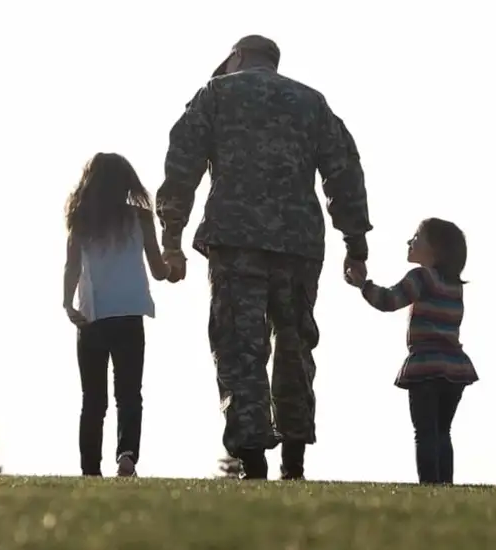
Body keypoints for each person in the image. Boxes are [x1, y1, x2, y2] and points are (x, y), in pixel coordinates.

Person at [155, 35, 373, 480]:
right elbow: (344, 171)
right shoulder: (312, 103)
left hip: (236, 242)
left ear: (236, 57)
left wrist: (172, 239)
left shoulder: (216, 94)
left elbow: (181, 167)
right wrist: (355, 244)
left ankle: (253, 459)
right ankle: (294, 460)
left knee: (240, 349)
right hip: (298, 246)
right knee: (294, 348)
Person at [346, 217, 478, 485]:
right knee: (442, 431)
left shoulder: (422, 277)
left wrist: (364, 286)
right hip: (455, 367)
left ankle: (429, 485)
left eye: (417, 238)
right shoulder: (454, 287)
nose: (410, 242)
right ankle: (445, 485)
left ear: (435, 250)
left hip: (426, 367)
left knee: (425, 431)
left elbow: (389, 300)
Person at [63, 152, 171, 477]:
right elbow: (158, 269)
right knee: (128, 393)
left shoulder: (80, 218)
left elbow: (72, 266)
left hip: (92, 316)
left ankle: (89, 469)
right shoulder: (140, 217)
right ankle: (126, 455)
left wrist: (67, 303)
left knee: (92, 399)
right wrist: (173, 268)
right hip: (129, 312)